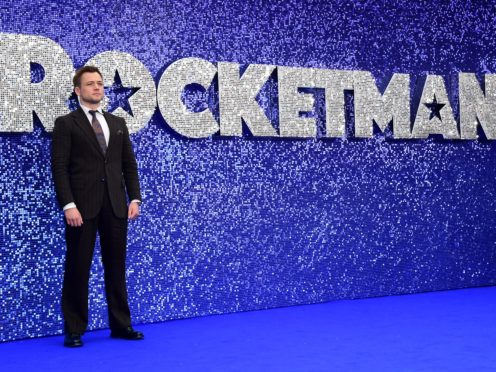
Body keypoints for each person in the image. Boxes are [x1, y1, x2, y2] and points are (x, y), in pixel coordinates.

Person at [51, 66, 144, 347]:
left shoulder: (117, 123)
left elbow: (128, 164)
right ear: (77, 90)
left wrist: (135, 198)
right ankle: (75, 328)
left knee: (115, 267)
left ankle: (121, 325)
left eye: (100, 84)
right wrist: (68, 204)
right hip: (81, 207)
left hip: (116, 206)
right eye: (90, 84)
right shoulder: (66, 124)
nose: (97, 88)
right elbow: (59, 167)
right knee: (78, 267)